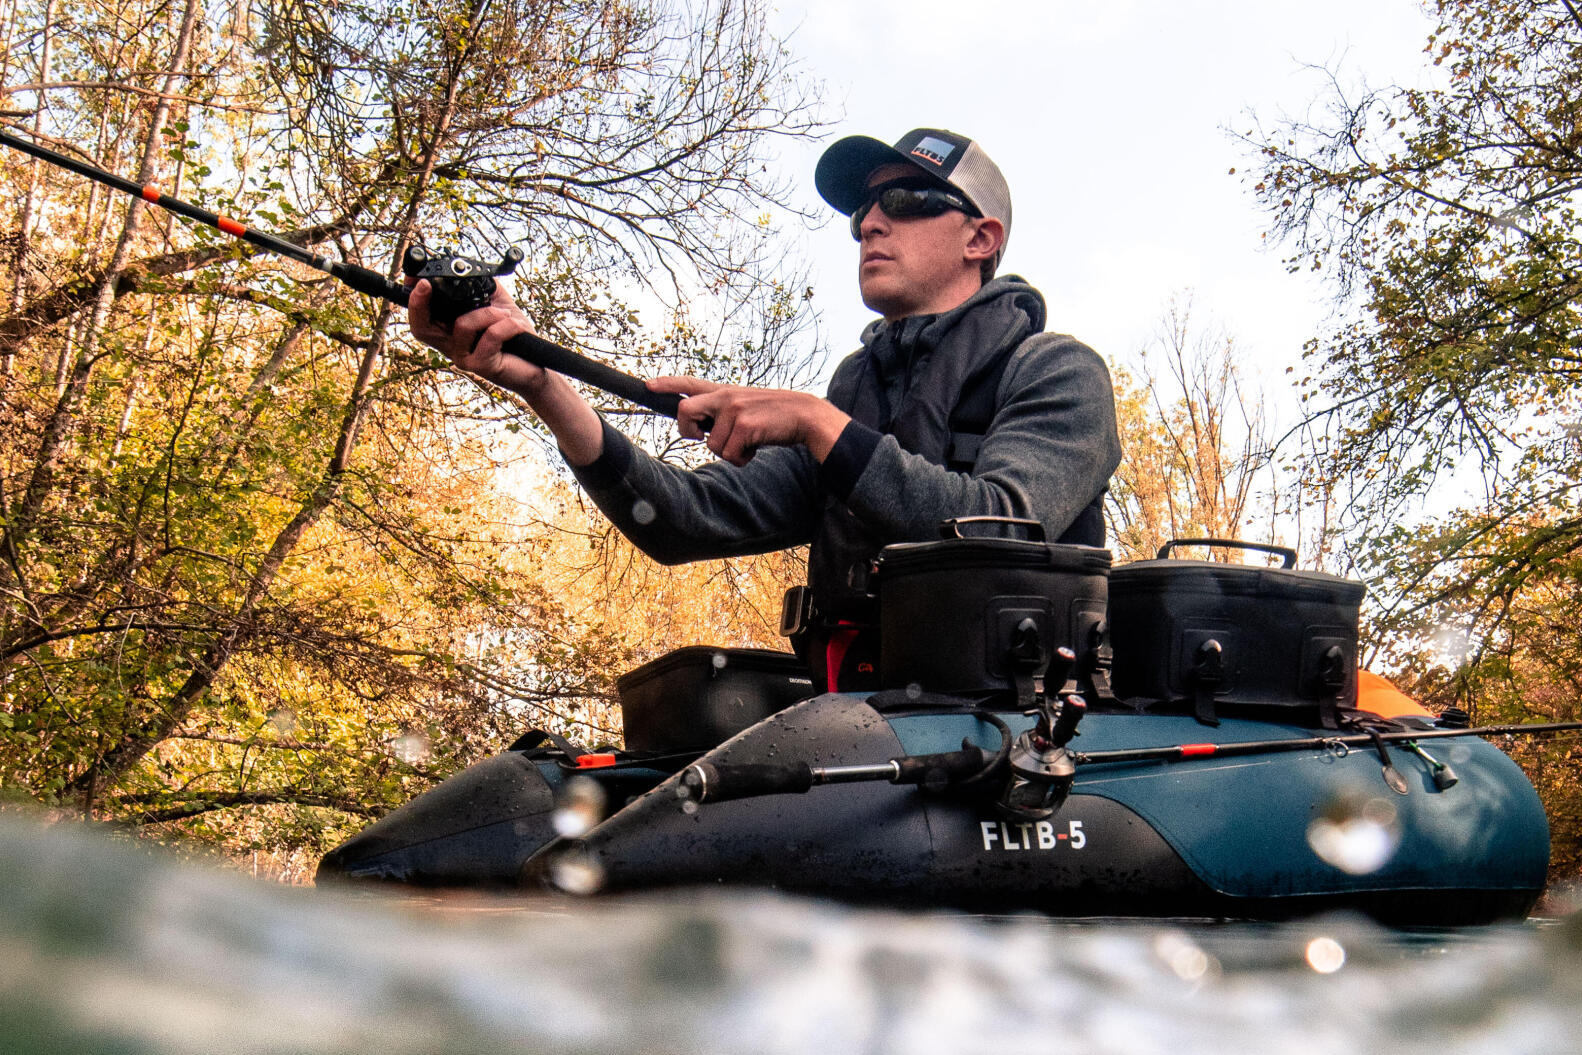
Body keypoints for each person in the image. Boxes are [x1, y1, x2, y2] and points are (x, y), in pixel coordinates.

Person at [408, 127, 1123, 689]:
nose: (872, 222)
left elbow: (1002, 529)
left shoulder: (1060, 371)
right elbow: (684, 519)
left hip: (1017, 726)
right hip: (862, 714)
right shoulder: (856, 396)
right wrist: (541, 384)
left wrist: (817, 423)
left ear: (980, 238)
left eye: (905, 200)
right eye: (862, 212)